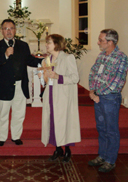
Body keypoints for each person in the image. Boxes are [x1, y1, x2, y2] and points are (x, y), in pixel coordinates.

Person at [0, 19, 43, 147]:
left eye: (11, 28)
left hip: (20, 85)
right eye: (6, 29)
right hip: (4, 86)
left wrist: (44, 61)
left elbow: (30, 60)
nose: (9, 31)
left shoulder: (23, 45)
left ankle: (16, 136)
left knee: (19, 113)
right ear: (2, 31)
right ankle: (1, 137)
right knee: (3, 114)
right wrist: (5, 55)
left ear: (15, 30)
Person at [88, 29, 128, 172]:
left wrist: (100, 94)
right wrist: (92, 90)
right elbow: (93, 72)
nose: (98, 42)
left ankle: (110, 160)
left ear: (110, 42)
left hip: (110, 99)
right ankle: (102, 155)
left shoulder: (121, 58)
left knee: (111, 130)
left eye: (101, 40)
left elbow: (117, 82)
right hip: (98, 97)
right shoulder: (101, 56)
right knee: (101, 128)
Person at [39, 34, 81, 163]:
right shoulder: (46, 60)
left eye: (49, 42)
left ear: (57, 44)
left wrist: (59, 76)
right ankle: (58, 149)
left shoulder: (68, 58)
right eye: (46, 42)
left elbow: (75, 78)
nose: (46, 45)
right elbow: (45, 81)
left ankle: (67, 149)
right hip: (50, 94)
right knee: (52, 121)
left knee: (65, 122)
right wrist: (43, 76)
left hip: (63, 96)